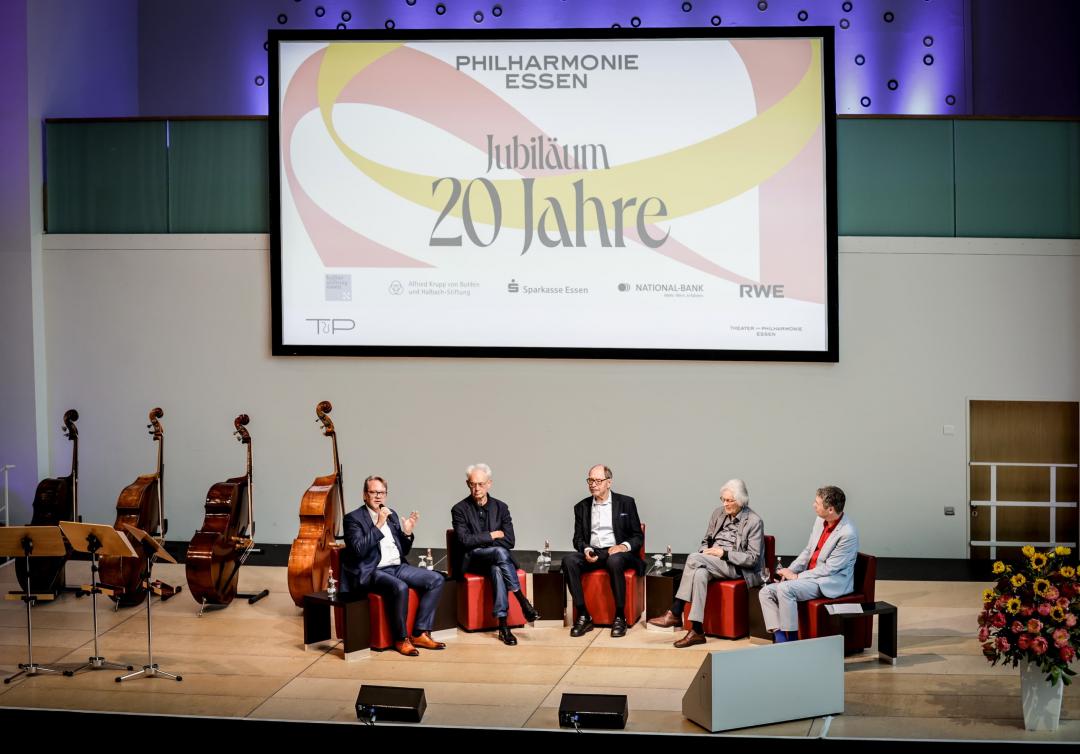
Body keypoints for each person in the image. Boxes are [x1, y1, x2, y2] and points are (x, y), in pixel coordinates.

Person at [647, 479, 765, 647]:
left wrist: (723, 553)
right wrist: (705, 551)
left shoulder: (754, 521)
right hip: (712, 561)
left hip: (736, 567)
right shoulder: (718, 513)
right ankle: (697, 631)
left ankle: (676, 610)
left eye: (729, 500)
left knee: (693, 558)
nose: (725, 504)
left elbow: (752, 559)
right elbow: (706, 540)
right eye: (723, 499)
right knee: (700, 573)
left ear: (741, 500)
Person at [339, 475, 446, 656]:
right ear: (365, 495)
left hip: (397, 567)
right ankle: (401, 638)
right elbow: (358, 550)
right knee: (400, 587)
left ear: (386, 495)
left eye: (382, 492)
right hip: (371, 570)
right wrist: (379, 525)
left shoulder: (392, 514)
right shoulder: (353, 519)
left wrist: (407, 533)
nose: (378, 496)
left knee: (436, 579)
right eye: (373, 492)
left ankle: (419, 632)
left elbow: (403, 551)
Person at [450, 463, 540, 646]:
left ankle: (503, 626)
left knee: (498, 569)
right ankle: (522, 601)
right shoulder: (459, 509)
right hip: (473, 560)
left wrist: (479, 539)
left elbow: (510, 541)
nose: (477, 488)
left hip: (494, 560)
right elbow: (464, 542)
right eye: (473, 484)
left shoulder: (501, 507)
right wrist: (492, 535)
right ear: (468, 484)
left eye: (481, 484)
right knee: (499, 551)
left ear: (489, 484)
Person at [758, 485, 857, 642]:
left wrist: (797, 577)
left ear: (830, 509)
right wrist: (788, 571)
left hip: (828, 582)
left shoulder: (847, 534)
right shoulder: (820, 520)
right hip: (809, 578)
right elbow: (808, 551)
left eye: (817, 503)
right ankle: (780, 638)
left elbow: (830, 569)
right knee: (765, 592)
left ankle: (791, 642)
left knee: (785, 589)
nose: (813, 505)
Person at [562, 464, 644, 638]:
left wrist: (623, 547)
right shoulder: (581, 507)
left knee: (614, 560)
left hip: (619, 552)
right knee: (568, 560)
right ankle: (584, 615)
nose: (593, 484)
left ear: (609, 482)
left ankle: (620, 616)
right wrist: (586, 549)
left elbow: (637, 536)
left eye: (598, 480)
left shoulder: (626, 503)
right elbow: (577, 539)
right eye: (590, 480)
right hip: (594, 552)